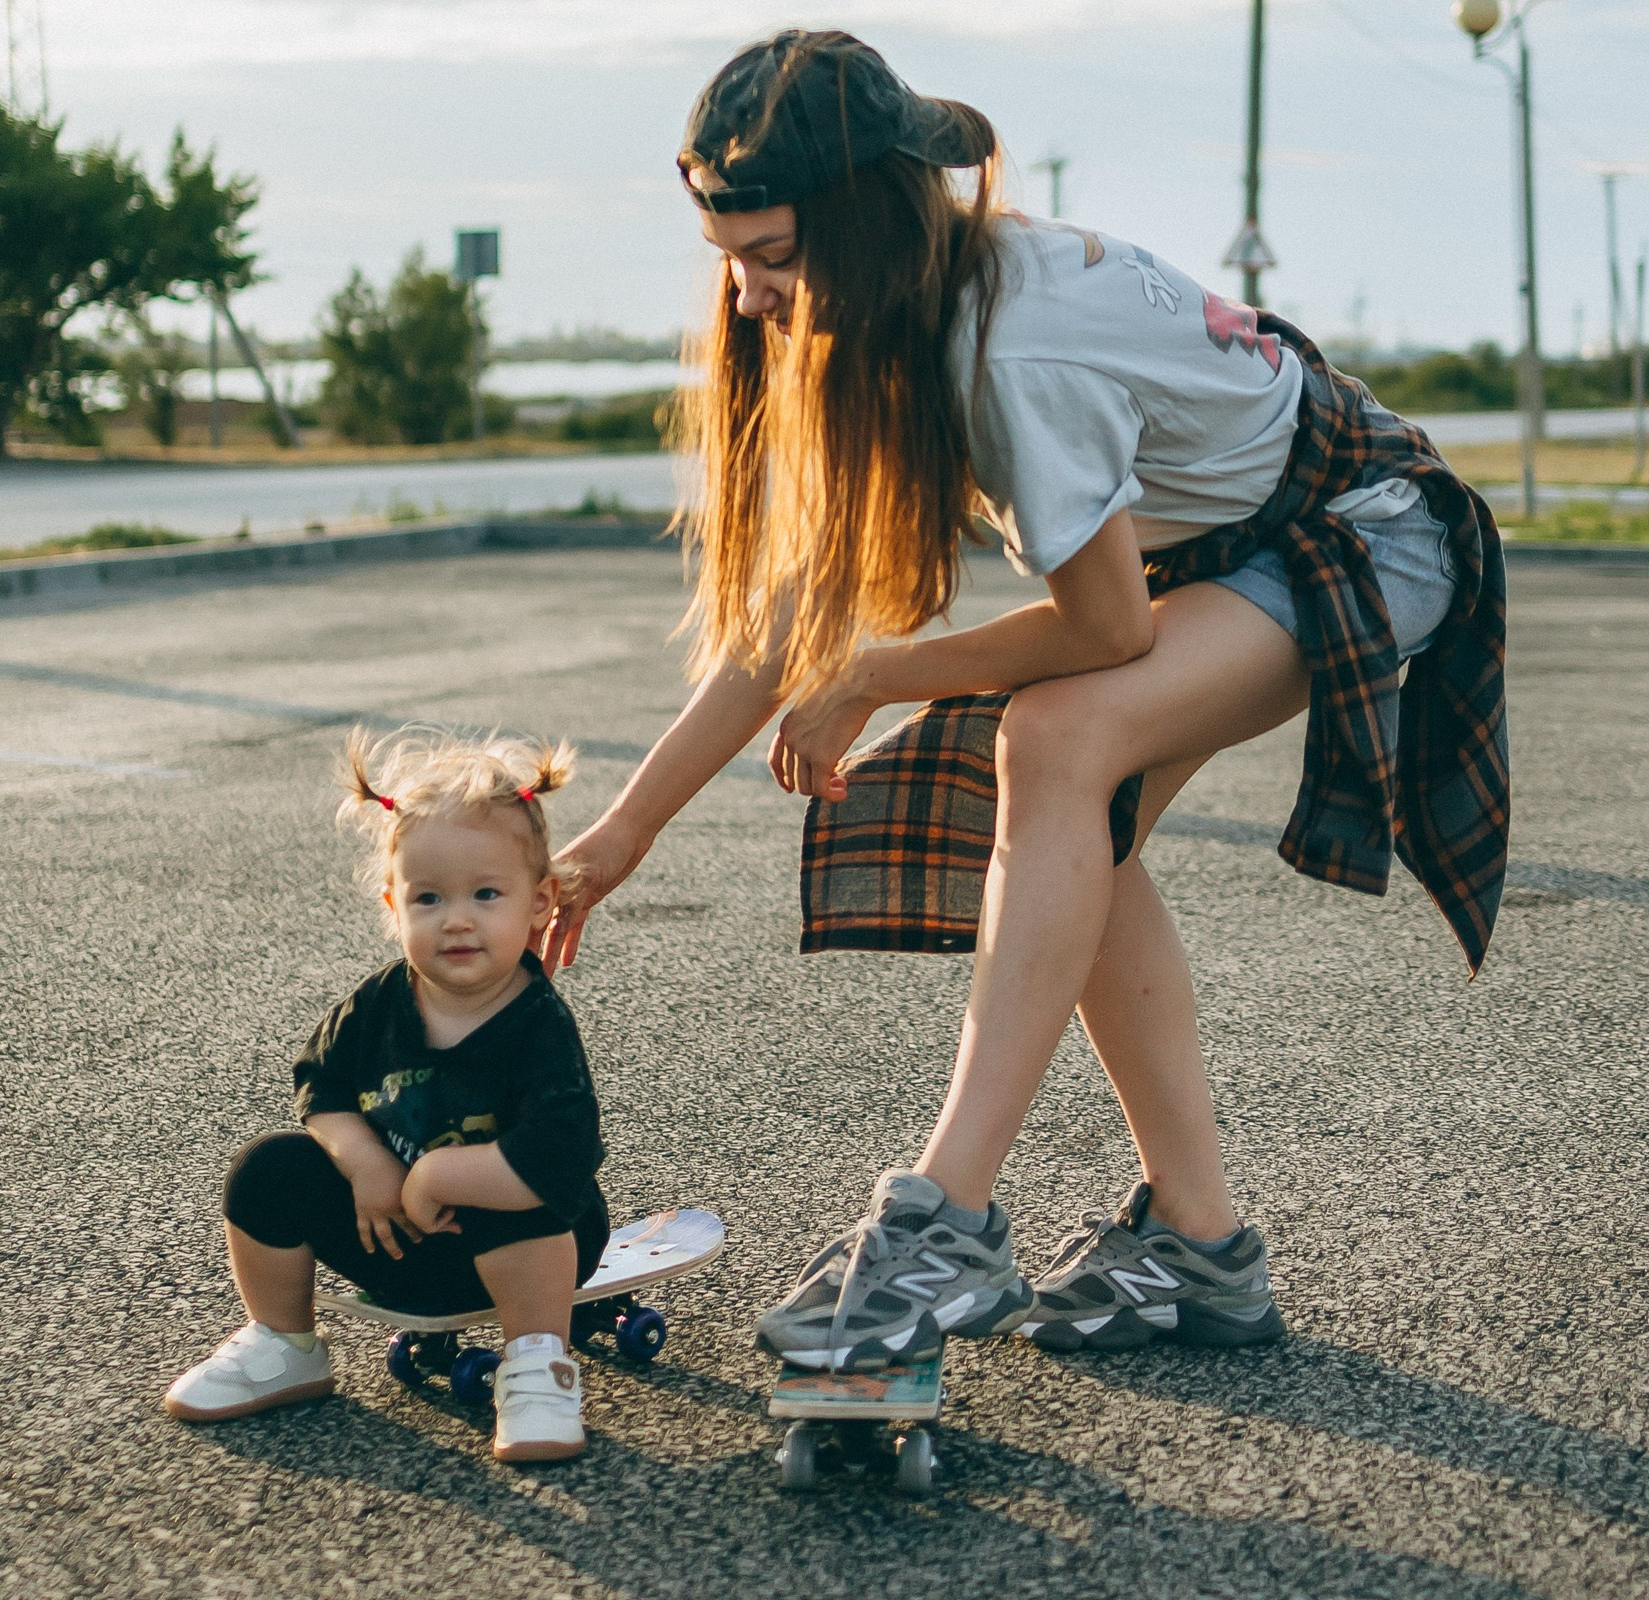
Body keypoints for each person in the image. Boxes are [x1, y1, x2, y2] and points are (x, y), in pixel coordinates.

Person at [546, 30, 1508, 1373]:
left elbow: (1106, 630)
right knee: (1081, 827)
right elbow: (795, 619)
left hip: (1366, 534)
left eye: (775, 259)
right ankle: (1200, 1243)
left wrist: (873, 676)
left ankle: (946, 1218)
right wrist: (622, 835)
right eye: (731, 263)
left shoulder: (1007, 349)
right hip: (1234, 546)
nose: (751, 300)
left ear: (868, 224)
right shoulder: (917, 301)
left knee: (1055, 741)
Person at [165, 729, 610, 1463]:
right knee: (269, 1169)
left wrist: (437, 1175)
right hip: (395, 1234)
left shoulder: (535, 1024)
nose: (456, 918)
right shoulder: (377, 1006)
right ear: (393, 906)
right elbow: (322, 1086)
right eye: (427, 897)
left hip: (529, 1251)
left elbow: (556, 1156)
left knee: (525, 1200)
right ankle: (285, 1344)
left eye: (486, 894)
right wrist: (367, 1164)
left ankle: (537, 1364)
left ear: (540, 902)